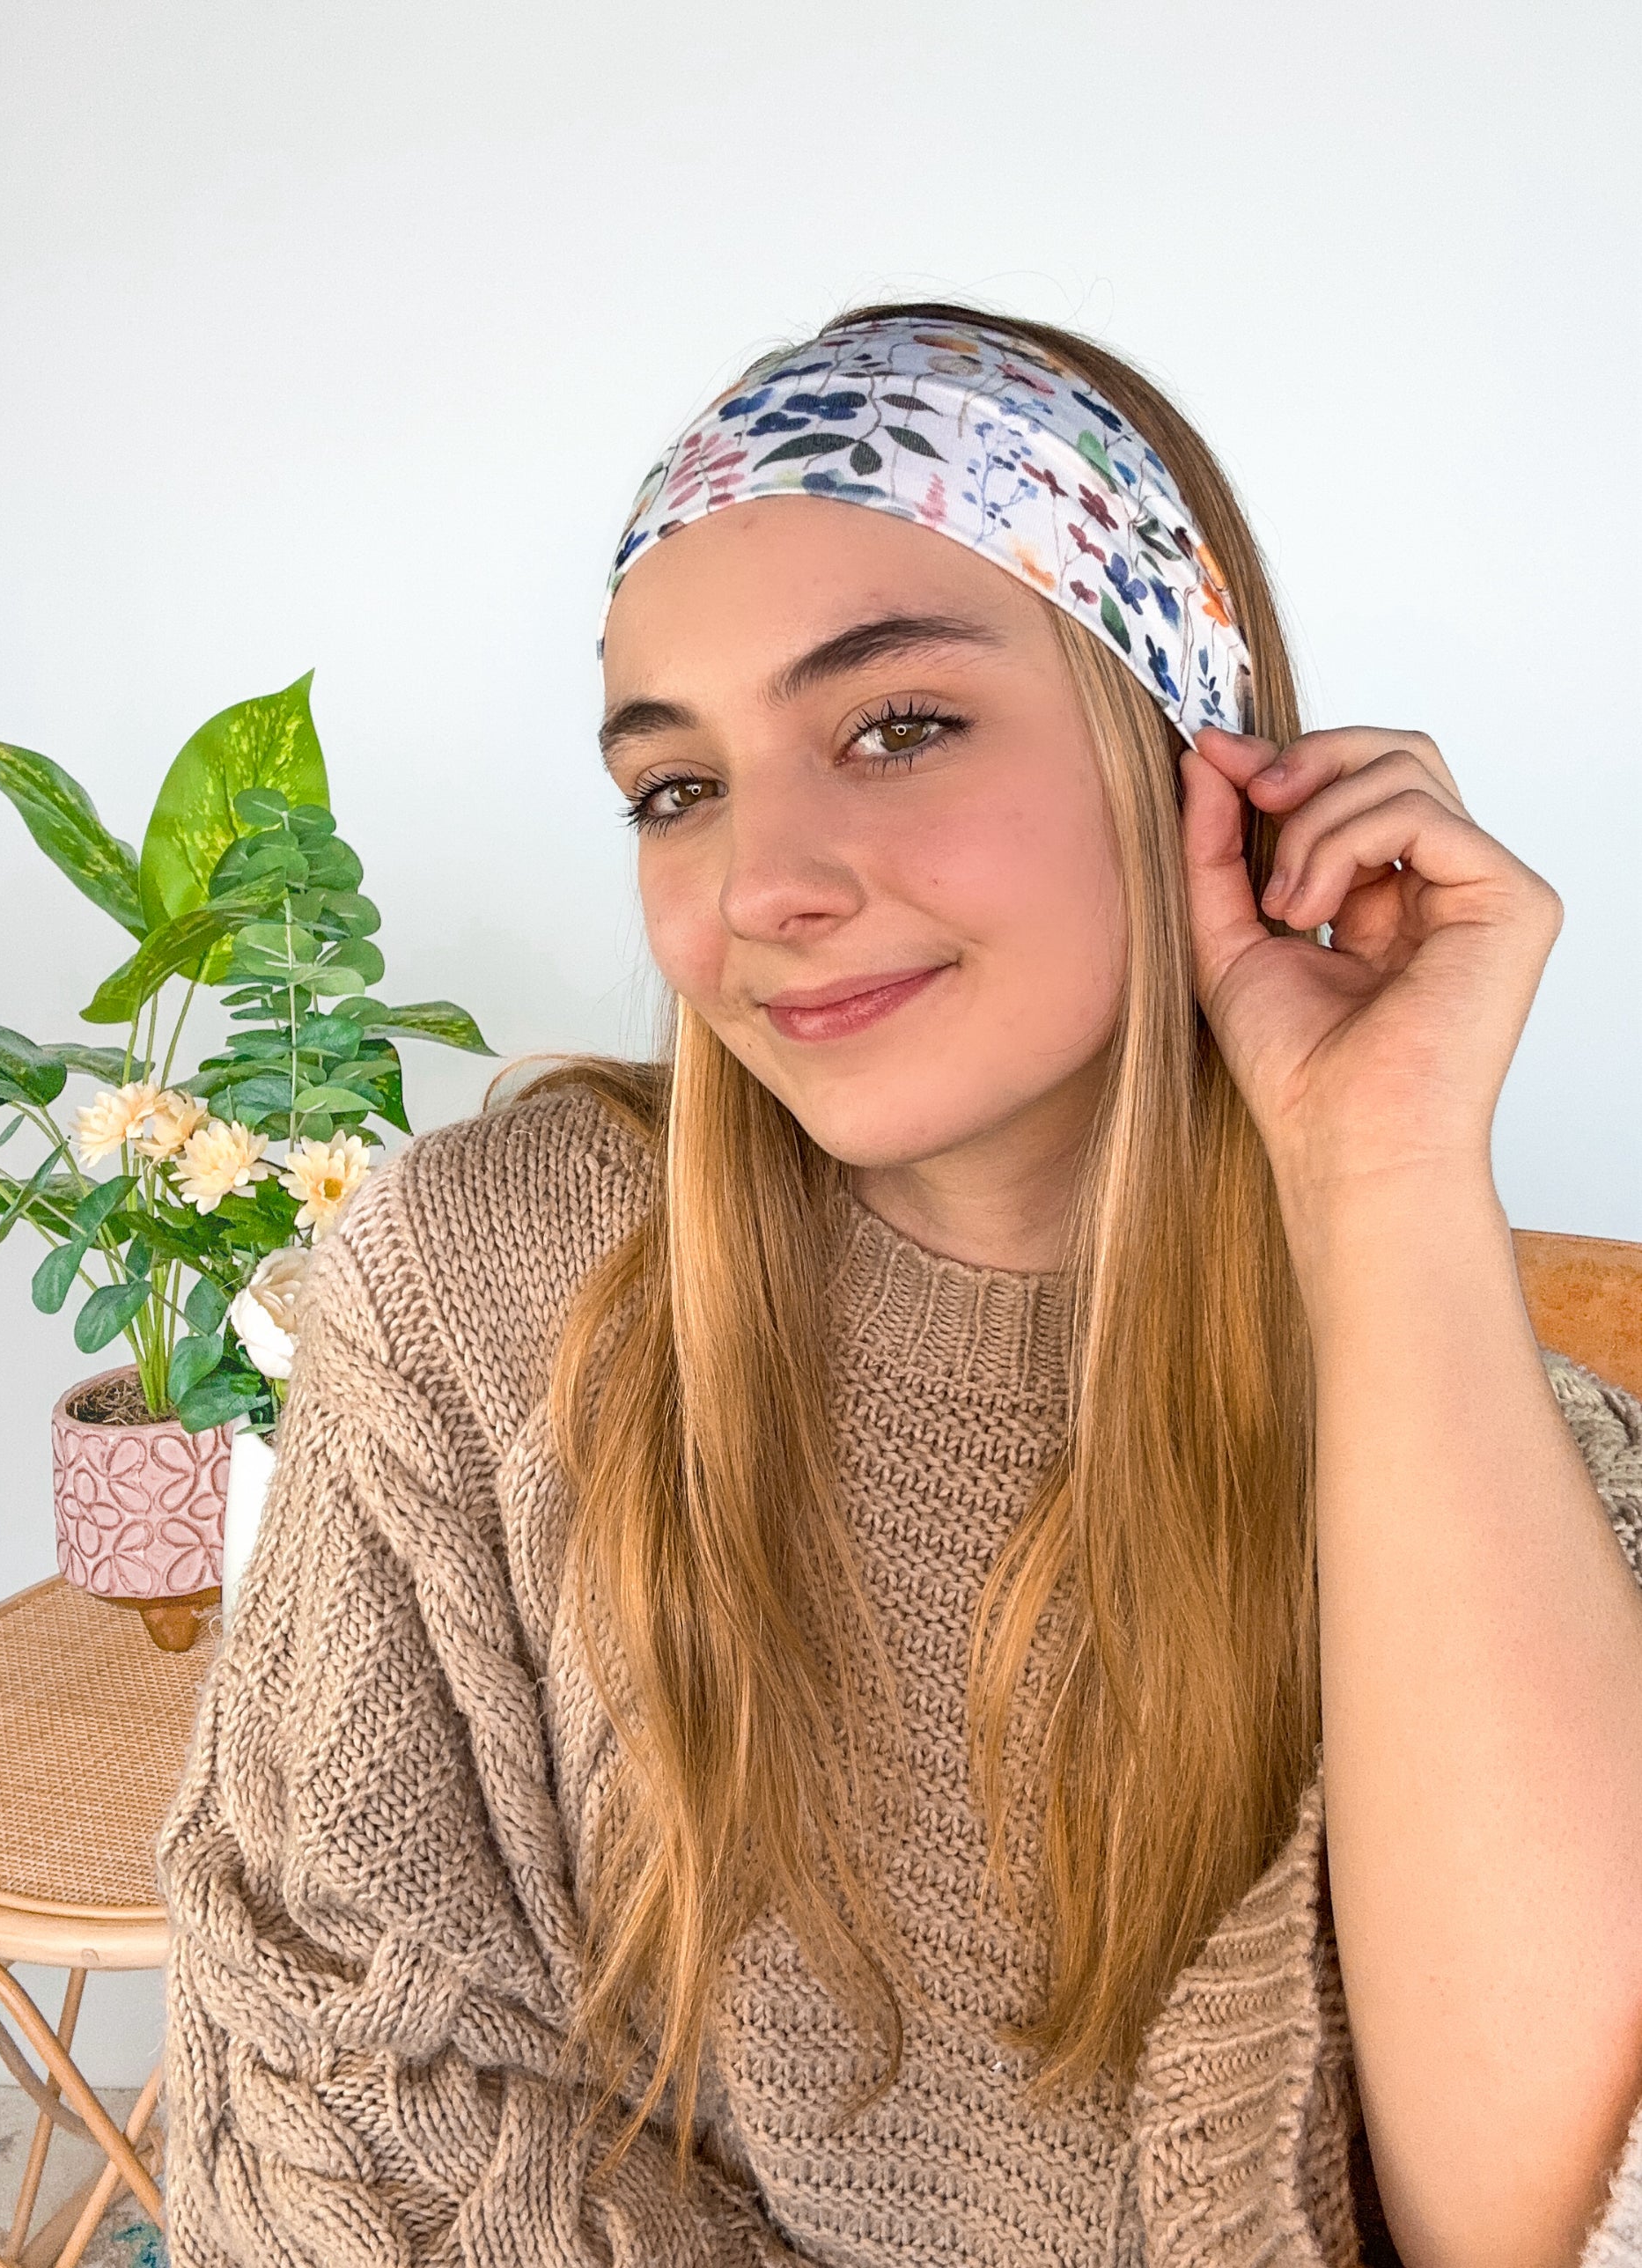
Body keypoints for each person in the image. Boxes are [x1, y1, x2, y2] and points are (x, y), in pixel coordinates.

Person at [156, 303, 1642, 2268]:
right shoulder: (490, 1285)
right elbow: (341, 2085)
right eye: (676, 787)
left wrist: (1383, 1166)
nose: (764, 877)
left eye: (898, 725)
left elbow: (1535, 2224)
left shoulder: (1479, 1444)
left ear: (1190, 756)